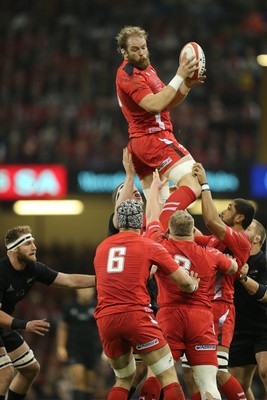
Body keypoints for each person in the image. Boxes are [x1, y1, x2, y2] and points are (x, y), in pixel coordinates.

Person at [143, 170, 238, 400]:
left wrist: (155, 189)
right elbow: (233, 268)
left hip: (169, 316)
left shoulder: (159, 243)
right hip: (201, 319)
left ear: (171, 230)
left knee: (157, 376)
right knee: (207, 383)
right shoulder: (210, 254)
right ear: (192, 231)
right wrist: (233, 264)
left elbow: (153, 217)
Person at [94, 199, 200, 400]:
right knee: (168, 375)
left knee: (123, 379)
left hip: (106, 319)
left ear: (119, 222)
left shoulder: (101, 247)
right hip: (136, 315)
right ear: (139, 222)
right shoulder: (149, 245)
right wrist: (193, 284)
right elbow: (184, 283)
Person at [115, 26, 206, 231]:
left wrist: (185, 85)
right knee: (193, 183)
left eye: (144, 48)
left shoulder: (147, 68)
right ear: (124, 52)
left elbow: (167, 100)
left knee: (160, 205)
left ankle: (154, 239)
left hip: (142, 144)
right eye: (135, 49)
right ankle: (159, 230)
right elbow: (154, 105)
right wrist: (179, 74)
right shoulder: (128, 74)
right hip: (154, 139)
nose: (141, 53)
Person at [181, 162, 255, 400]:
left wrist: (204, 184)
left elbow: (212, 221)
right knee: (189, 370)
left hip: (221, 308)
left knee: (218, 371)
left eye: (230, 208)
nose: (225, 210)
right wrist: (178, 195)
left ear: (240, 217)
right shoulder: (215, 240)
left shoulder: (240, 240)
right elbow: (190, 234)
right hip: (200, 308)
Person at [0, 225, 96, 400]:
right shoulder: (1, 272)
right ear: (14, 250)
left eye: (34, 242)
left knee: (30, 369)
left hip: (3, 324)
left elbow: (69, 280)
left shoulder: (33, 269)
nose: (34, 247)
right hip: (3, 321)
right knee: (5, 373)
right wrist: (25, 325)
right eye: (28, 243)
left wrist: (103, 279)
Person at [228, 219, 267, 399]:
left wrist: (243, 277)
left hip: (263, 328)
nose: (243, 229)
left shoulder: (264, 262)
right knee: (238, 385)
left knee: (265, 371)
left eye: (248, 228)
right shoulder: (232, 256)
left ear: (257, 238)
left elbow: (265, 295)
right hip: (239, 329)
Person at [56, 287, 102, 400]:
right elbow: (63, 328)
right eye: (83, 289)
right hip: (75, 349)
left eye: (89, 290)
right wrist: (61, 347)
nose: (86, 292)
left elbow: (103, 328)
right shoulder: (70, 306)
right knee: (78, 382)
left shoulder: (98, 307)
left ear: (93, 292)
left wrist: (106, 348)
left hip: (93, 349)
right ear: (77, 291)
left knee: (89, 386)